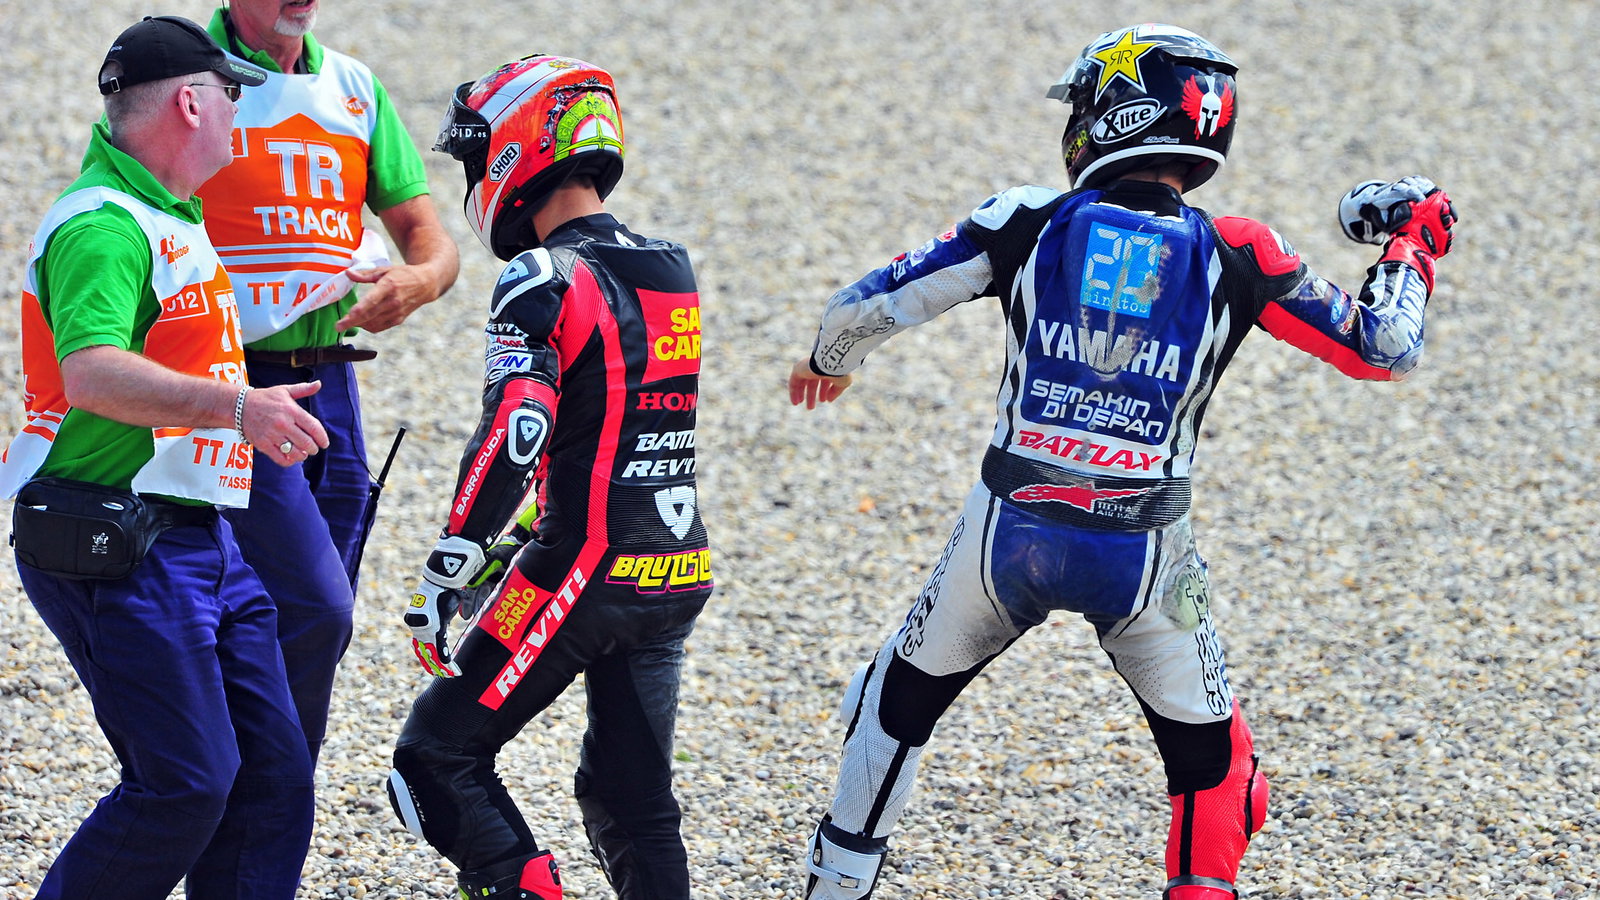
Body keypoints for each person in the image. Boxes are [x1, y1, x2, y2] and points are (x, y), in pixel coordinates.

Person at [788, 23, 1457, 900]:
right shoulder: (1243, 250)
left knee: (892, 704)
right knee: (1218, 771)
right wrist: (1411, 243)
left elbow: (865, 306)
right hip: (1147, 555)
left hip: (1006, 536)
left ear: (1111, 115)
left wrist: (829, 362)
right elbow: (1387, 348)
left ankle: (833, 887)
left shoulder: (1027, 220)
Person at [0, 16, 331, 899]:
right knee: (185, 784)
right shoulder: (102, 226)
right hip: (117, 544)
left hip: (199, 543)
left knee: (272, 779)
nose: (240, 118)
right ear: (190, 101)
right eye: (231, 96)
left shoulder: (164, 215)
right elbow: (93, 372)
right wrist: (236, 405)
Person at [384, 56, 713, 900]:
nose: (470, 177)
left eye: (473, 156)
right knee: (631, 800)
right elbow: (621, 428)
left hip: (583, 564)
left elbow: (519, 427)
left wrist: (454, 555)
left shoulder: (540, 274)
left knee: (433, 760)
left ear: (518, 146)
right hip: (674, 568)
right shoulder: (671, 264)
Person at [194, 0, 460, 767]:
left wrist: (419, 283)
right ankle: (256, 795)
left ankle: (272, 800)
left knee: (316, 610)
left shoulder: (354, 87)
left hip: (334, 386)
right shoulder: (178, 74)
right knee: (313, 605)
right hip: (229, 384)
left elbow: (431, 241)